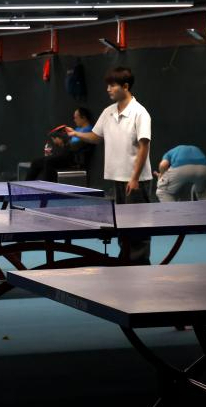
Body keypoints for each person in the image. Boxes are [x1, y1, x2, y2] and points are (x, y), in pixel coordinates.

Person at [68, 67, 153, 264]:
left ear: (126, 86)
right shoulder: (108, 112)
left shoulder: (140, 113)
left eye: (112, 85)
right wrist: (76, 133)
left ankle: (140, 265)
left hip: (136, 181)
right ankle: (125, 260)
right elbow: (96, 137)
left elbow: (144, 147)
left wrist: (134, 178)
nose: (108, 89)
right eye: (108, 85)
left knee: (138, 226)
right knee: (122, 225)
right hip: (117, 179)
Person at [25, 107, 95, 182]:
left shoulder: (88, 130)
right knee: (36, 162)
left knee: (49, 162)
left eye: (76, 118)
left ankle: (49, 186)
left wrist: (64, 141)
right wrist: (61, 142)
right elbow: (70, 144)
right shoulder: (77, 129)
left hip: (73, 159)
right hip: (66, 155)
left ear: (83, 118)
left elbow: (76, 146)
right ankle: (26, 184)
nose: (74, 120)